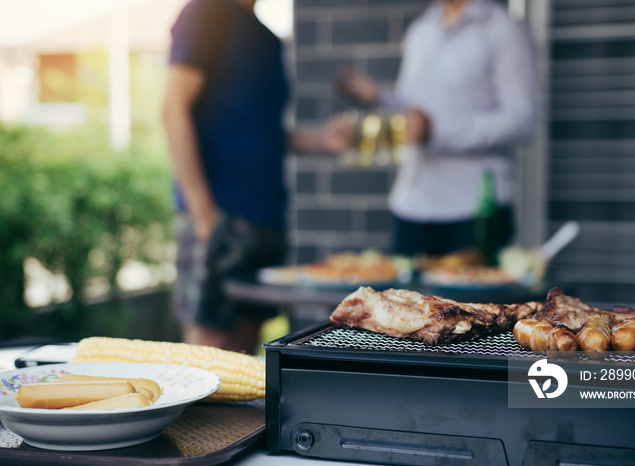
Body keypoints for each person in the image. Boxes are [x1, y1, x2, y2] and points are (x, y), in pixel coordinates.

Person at [162, 0, 346, 354]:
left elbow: (261, 131)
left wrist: (323, 140)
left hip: (266, 222)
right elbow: (173, 109)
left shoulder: (266, 38)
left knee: (245, 355)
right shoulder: (206, 12)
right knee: (210, 355)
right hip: (220, 218)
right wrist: (204, 216)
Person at [334, 0, 538, 259]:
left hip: (473, 211)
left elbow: (522, 120)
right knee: (401, 300)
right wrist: (381, 98)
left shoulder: (503, 30)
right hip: (412, 203)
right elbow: (415, 113)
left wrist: (437, 132)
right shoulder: (420, 30)